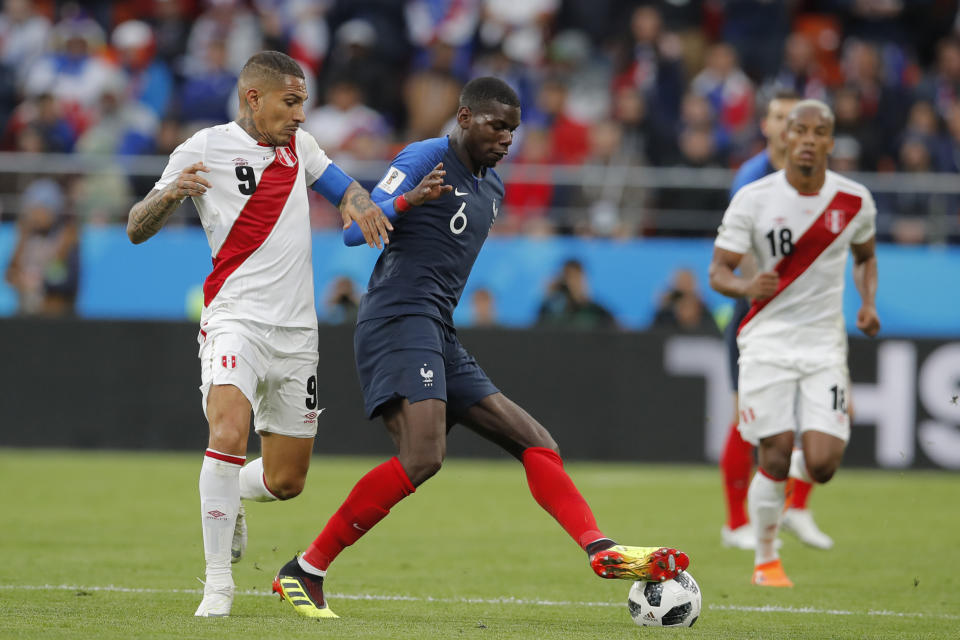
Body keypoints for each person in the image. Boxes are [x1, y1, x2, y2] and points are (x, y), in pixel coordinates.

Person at [271, 77, 689, 619]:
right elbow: (356, 232)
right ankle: (306, 570)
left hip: (436, 330)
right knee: (424, 456)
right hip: (397, 318)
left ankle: (600, 549)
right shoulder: (426, 157)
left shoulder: (493, 189)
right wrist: (408, 198)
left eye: (514, 130)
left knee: (537, 443)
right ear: (465, 118)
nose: (507, 139)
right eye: (497, 126)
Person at [125, 50, 391, 618]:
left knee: (286, 481)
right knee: (228, 431)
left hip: (297, 333)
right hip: (235, 319)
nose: (300, 115)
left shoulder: (303, 147)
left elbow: (346, 189)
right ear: (254, 97)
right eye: (291, 102)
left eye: (303, 103)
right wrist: (171, 195)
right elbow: (134, 226)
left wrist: (361, 203)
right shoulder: (204, 147)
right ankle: (217, 585)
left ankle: (230, 494)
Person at [709, 99, 880, 587]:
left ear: (830, 141)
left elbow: (866, 256)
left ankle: (790, 509)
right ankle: (766, 558)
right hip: (766, 341)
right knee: (776, 453)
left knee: (823, 463)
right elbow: (718, 270)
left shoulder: (854, 200)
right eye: (798, 129)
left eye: (818, 131)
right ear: (784, 136)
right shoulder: (754, 197)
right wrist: (746, 287)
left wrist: (867, 302)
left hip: (825, 344)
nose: (807, 139)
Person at [718, 89, 836, 553]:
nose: (792, 128)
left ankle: (796, 508)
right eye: (782, 118)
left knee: (824, 411)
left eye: (799, 120)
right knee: (748, 418)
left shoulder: (815, 179)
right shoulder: (752, 181)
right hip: (759, 317)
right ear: (768, 126)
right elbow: (741, 252)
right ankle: (735, 523)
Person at [4, 178, 79, 316]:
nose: (35, 214)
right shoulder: (25, 235)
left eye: (40, 209)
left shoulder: (66, 237)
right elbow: (10, 275)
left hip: (53, 315)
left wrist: (39, 282)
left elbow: (66, 282)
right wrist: (22, 239)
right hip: (26, 313)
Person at [536, 258, 617, 330]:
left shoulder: (595, 311)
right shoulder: (552, 310)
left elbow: (616, 329)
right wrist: (549, 298)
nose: (573, 283)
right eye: (569, 278)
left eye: (577, 278)